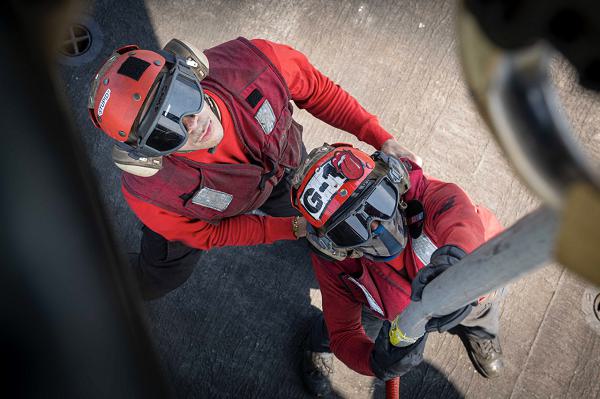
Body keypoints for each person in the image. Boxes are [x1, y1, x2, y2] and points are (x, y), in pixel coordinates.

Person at [87, 37, 420, 300]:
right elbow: (211, 234)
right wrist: (289, 229)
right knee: (157, 280)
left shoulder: (258, 63)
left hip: (284, 169)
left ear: (191, 69)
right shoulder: (154, 196)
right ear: (146, 158)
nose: (192, 123)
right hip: (196, 217)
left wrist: (379, 138)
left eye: (182, 97)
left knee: (324, 220)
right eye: (164, 132)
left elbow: (319, 91)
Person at [290, 143, 506, 397]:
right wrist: (375, 361)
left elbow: (461, 221)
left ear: (395, 178)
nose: (378, 228)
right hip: (379, 304)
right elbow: (344, 333)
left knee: (479, 309)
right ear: (331, 244)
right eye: (352, 229)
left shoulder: (427, 195)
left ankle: (480, 331)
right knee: (337, 326)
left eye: (378, 202)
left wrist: (457, 260)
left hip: (474, 277)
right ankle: (321, 347)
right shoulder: (334, 262)